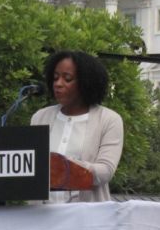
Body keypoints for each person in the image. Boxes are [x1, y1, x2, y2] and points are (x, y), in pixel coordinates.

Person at [31, 50, 124, 202]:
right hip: (41, 217)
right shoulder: (40, 117)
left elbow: (105, 171)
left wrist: (63, 166)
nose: (58, 84)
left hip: (85, 218)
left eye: (67, 79)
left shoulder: (109, 120)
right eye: (55, 78)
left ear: (86, 82)